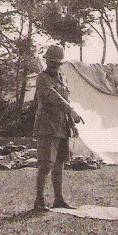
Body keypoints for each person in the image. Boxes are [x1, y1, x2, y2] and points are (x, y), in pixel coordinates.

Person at [33, 45, 83, 211]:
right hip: (46, 126)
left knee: (59, 164)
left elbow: (66, 101)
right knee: (46, 164)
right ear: (46, 61)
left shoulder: (62, 78)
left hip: (61, 126)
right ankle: (39, 201)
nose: (53, 65)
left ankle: (59, 199)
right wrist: (72, 111)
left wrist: (72, 124)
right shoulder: (42, 78)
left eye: (57, 63)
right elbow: (55, 98)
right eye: (51, 62)